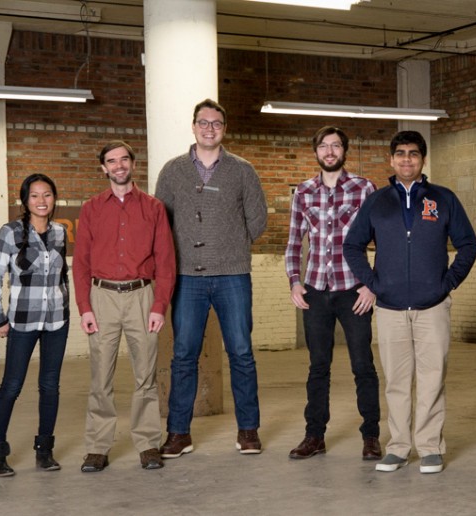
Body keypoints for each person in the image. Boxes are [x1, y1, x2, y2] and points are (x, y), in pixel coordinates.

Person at [344, 130, 476, 474]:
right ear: (391, 159)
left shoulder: (443, 199)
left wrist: (446, 284)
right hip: (389, 309)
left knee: (433, 378)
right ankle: (399, 447)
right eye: (400, 153)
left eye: (414, 154)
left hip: (432, 307)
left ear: (423, 159)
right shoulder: (377, 201)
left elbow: (468, 245)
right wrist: (374, 284)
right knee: (397, 382)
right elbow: (352, 246)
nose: (407, 159)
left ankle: (430, 447)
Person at [155, 99, 268, 458]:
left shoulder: (242, 170)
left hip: (233, 274)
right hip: (187, 278)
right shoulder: (172, 171)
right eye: (203, 123)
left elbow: (258, 219)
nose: (209, 128)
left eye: (216, 123)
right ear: (193, 127)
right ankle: (178, 433)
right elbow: (162, 224)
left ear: (224, 129)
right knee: (184, 355)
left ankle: (248, 430)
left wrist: (229, 244)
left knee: (241, 353)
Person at [73, 140, 176, 472]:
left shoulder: (153, 208)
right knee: (100, 377)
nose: (118, 166)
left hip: (141, 297)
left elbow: (166, 260)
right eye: (111, 161)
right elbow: (80, 263)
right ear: (103, 168)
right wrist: (85, 307)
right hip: (101, 297)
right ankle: (97, 447)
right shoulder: (91, 208)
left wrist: (159, 305)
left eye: (123, 160)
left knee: (145, 374)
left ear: (133, 164)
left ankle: (147, 443)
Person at [285, 126, 381, 461]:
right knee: (318, 366)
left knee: (362, 364)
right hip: (315, 292)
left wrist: (372, 285)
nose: (329, 151)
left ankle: (371, 436)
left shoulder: (364, 188)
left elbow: (383, 239)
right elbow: (294, 242)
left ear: (344, 151)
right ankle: (315, 436)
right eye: (323, 146)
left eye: (335, 146)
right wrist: (294, 281)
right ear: (316, 151)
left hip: (353, 291)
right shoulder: (304, 192)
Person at [0, 173, 69, 477]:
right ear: (25, 200)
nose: (42, 201)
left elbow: (62, 277)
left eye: (47, 194)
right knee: (12, 385)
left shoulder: (60, 233)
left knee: (50, 386)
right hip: (22, 321)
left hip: (57, 320)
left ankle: (44, 450)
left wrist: (68, 307)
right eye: (35, 195)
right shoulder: (10, 232)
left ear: (54, 199)